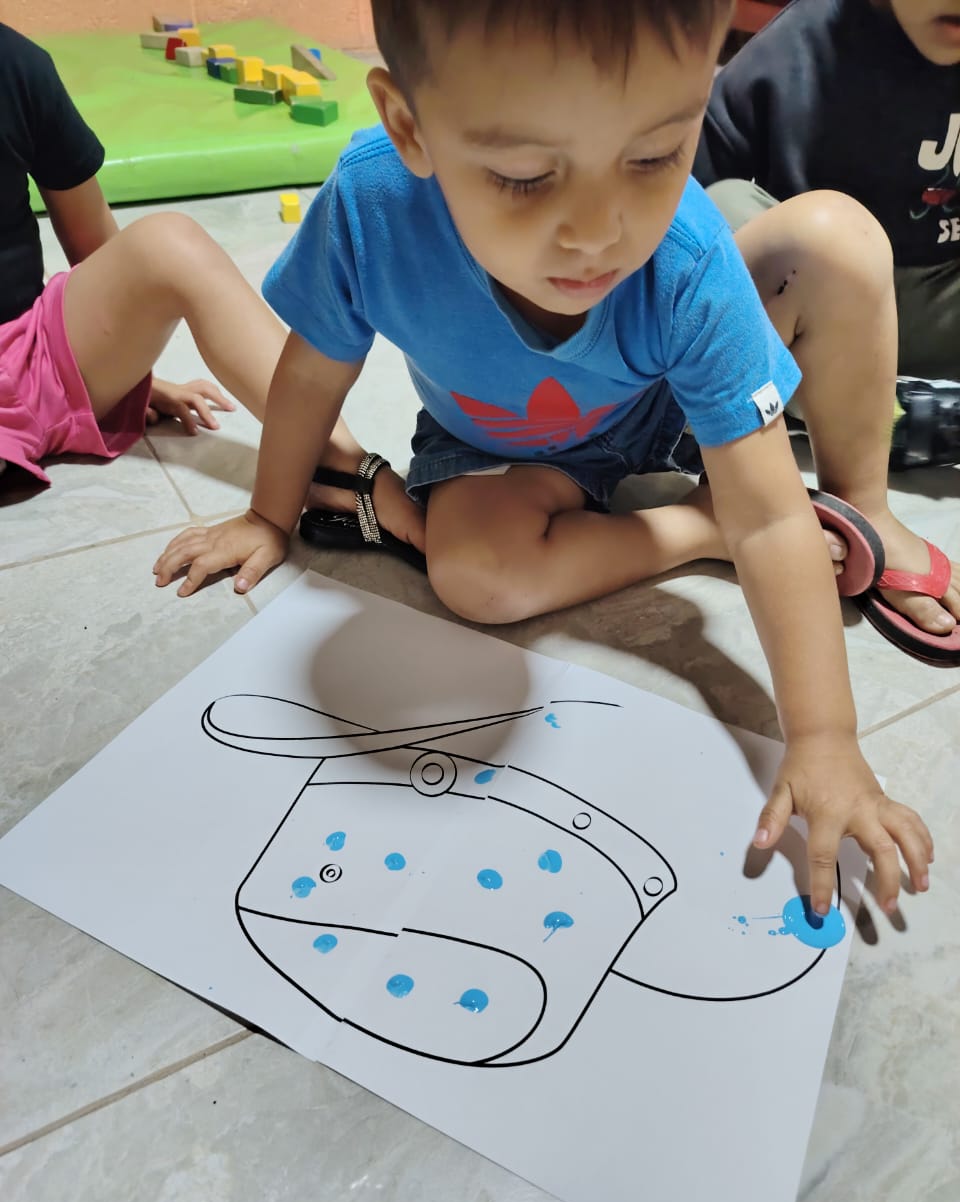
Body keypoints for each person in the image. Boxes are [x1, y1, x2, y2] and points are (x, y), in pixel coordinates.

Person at [154, 0, 935, 914]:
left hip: (674, 403)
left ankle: (861, 502)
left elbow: (773, 520)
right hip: (501, 450)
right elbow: (310, 375)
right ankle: (697, 525)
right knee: (475, 579)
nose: (599, 232)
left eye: (655, 155)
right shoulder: (371, 204)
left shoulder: (683, 259)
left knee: (838, 238)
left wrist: (826, 739)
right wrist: (266, 513)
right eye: (526, 176)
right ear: (410, 126)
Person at [0, 19, 422, 549]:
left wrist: (128, 372)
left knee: (169, 242)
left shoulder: (16, 64)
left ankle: (348, 468)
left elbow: (97, 251)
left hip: (29, 350)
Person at [695, 0, 960, 465]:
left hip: (941, 301)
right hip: (819, 320)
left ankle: (894, 415)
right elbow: (688, 201)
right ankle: (888, 419)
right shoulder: (800, 44)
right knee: (719, 213)